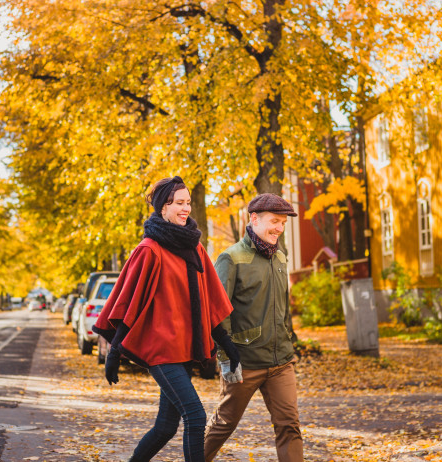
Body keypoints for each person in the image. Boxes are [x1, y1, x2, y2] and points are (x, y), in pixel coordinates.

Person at [93, 176, 240, 462]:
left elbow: (209, 298)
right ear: (163, 208)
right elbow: (129, 303)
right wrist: (114, 351)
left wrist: (226, 343)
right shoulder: (149, 249)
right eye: (179, 204)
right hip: (161, 351)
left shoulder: (195, 247)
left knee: (165, 427)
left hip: (183, 350)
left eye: (188, 203)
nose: (186, 209)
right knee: (195, 417)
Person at [204, 193, 303, 462]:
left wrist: (288, 342)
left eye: (283, 223)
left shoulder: (280, 257)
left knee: (289, 425)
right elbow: (218, 313)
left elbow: (282, 310)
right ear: (254, 219)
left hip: (281, 361)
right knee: (224, 423)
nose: (279, 229)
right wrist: (225, 359)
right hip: (243, 362)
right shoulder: (231, 258)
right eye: (274, 221)